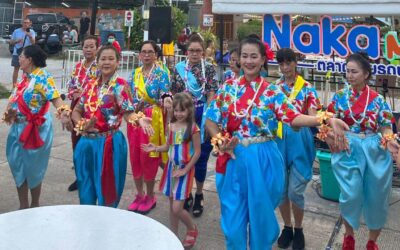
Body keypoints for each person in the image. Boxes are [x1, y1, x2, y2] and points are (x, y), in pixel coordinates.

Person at [205, 36, 349, 249]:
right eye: (245, 56)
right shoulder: (227, 88)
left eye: (254, 56)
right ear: (238, 59)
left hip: (262, 157)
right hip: (232, 158)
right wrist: (218, 141)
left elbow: (293, 117)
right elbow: (211, 119)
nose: (249, 61)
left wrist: (325, 118)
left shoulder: (272, 91)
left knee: (260, 221)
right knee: (232, 223)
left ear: (263, 59)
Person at [326, 51, 399, 250]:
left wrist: (389, 140)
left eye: (354, 72)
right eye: (347, 71)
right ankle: (349, 236)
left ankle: (372, 241)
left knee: (377, 197)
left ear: (366, 74)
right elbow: (326, 119)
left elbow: (385, 126)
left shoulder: (377, 100)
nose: (349, 76)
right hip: (349, 148)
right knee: (351, 194)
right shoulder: (340, 97)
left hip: (375, 149)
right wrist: (331, 129)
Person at [71, 45, 152, 207]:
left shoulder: (120, 86)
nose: (106, 62)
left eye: (111, 59)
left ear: (118, 62)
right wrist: (82, 124)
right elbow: (77, 111)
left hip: (109, 143)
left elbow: (128, 112)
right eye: (103, 59)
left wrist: (139, 119)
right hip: (86, 143)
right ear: (97, 61)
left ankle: (106, 225)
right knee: (85, 190)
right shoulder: (89, 85)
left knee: (107, 192)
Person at [3, 45, 71, 209]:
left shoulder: (42, 77)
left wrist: (64, 113)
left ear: (29, 60)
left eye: (21, 56)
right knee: (17, 166)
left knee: (33, 169)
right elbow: (16, 100)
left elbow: (56, 99)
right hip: (17, 128)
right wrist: (9, 113)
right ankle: (23, 206)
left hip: (36, 130)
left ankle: (34, 205)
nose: (19, 59)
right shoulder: (24, 78)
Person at [274, 48, 322, 250]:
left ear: (296, 62)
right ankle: (287, 227)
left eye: (289, 63)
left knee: (295, 190)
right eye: (282, 64)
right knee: (281, 190)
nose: (285, 68)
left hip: (299, 137)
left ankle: (299, 228)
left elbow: (313, 116)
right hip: (277, 137)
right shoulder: (274, 87)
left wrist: (323, 125)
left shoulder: (307, 88)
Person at [142, 92, 200, 248]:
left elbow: (197, 153)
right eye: (176, 110)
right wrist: (155, 148)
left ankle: (191, 228)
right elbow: (168, 146)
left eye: (182, 110)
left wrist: (185, 170)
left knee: (177, 208)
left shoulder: (193, 129)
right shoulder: (171, 126)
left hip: (184, 172)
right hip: (170, 170)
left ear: (189, 110)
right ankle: (173, 236)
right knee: (171, 206)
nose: (178, 114)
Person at [171, 34, 218, 217]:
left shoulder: (210, 68)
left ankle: (199, 194)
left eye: (198, 50)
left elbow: (212, 91)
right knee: (184, 156)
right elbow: (174, 93)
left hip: (202, 114)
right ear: (186, 51)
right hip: (184, 117)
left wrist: (207, 119)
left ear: (203, 51)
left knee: (201, 157)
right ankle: (186, 192)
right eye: (191, 50)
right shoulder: (179, 69)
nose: (195, 53)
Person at [127, 40, 171, 214]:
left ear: (156, 55)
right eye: (143, 52)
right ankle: (139, 194)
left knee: (149, 156)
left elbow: (165, 93)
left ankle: (151, 195)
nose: (146, 55)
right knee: (135, 156)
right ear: (139, 55)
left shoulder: (161, 73)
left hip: (152, 118)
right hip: (135, 120)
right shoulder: (134, 73)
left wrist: (167, 100)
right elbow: (128, 95)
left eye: (150, 52)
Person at [66, 35, 99, 192]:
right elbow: (70, 84)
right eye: (86, 46)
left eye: (92, 46)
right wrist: (73, 92)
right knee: (76, 139)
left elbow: (102, 86)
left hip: (93, 107)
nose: (88, 49)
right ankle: (80, 176)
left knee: (91, 140)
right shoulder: (78, 66)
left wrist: (85, 92)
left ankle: (92, 176)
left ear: (97, 48)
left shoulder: (100, 66)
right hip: (77, 106)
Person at [10, 17, 36, 86]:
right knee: (16, 69)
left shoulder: (32, 32)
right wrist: (16, 41)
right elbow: (11, 42)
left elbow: (33, 43)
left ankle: (25, 85)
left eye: (27, 23)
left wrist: (30, 36)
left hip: (27, 53)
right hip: (17, 53)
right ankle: (14, 86)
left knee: (26, 70)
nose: (26, 24)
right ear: (22, 23)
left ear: (30, 24)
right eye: (24, 22)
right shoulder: (16, 31)